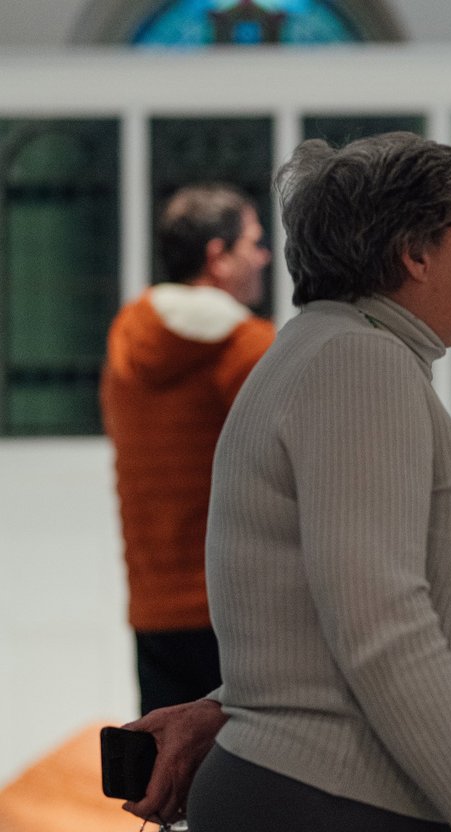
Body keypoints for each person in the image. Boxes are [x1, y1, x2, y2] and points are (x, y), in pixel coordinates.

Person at [121, 132, 451, 832]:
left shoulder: (335, 352)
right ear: (413, 250)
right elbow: (381, 625)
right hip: (345, 802)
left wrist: (230, 704)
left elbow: (323, 616)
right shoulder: (355, 363)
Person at [100, 183, 273, 716]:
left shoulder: (127, 337)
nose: (265, 256)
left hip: (151, 604)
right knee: (244, 786)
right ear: (217, 258)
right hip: (237, 607)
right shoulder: (248, 348)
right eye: (253, 243)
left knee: (166, 783)